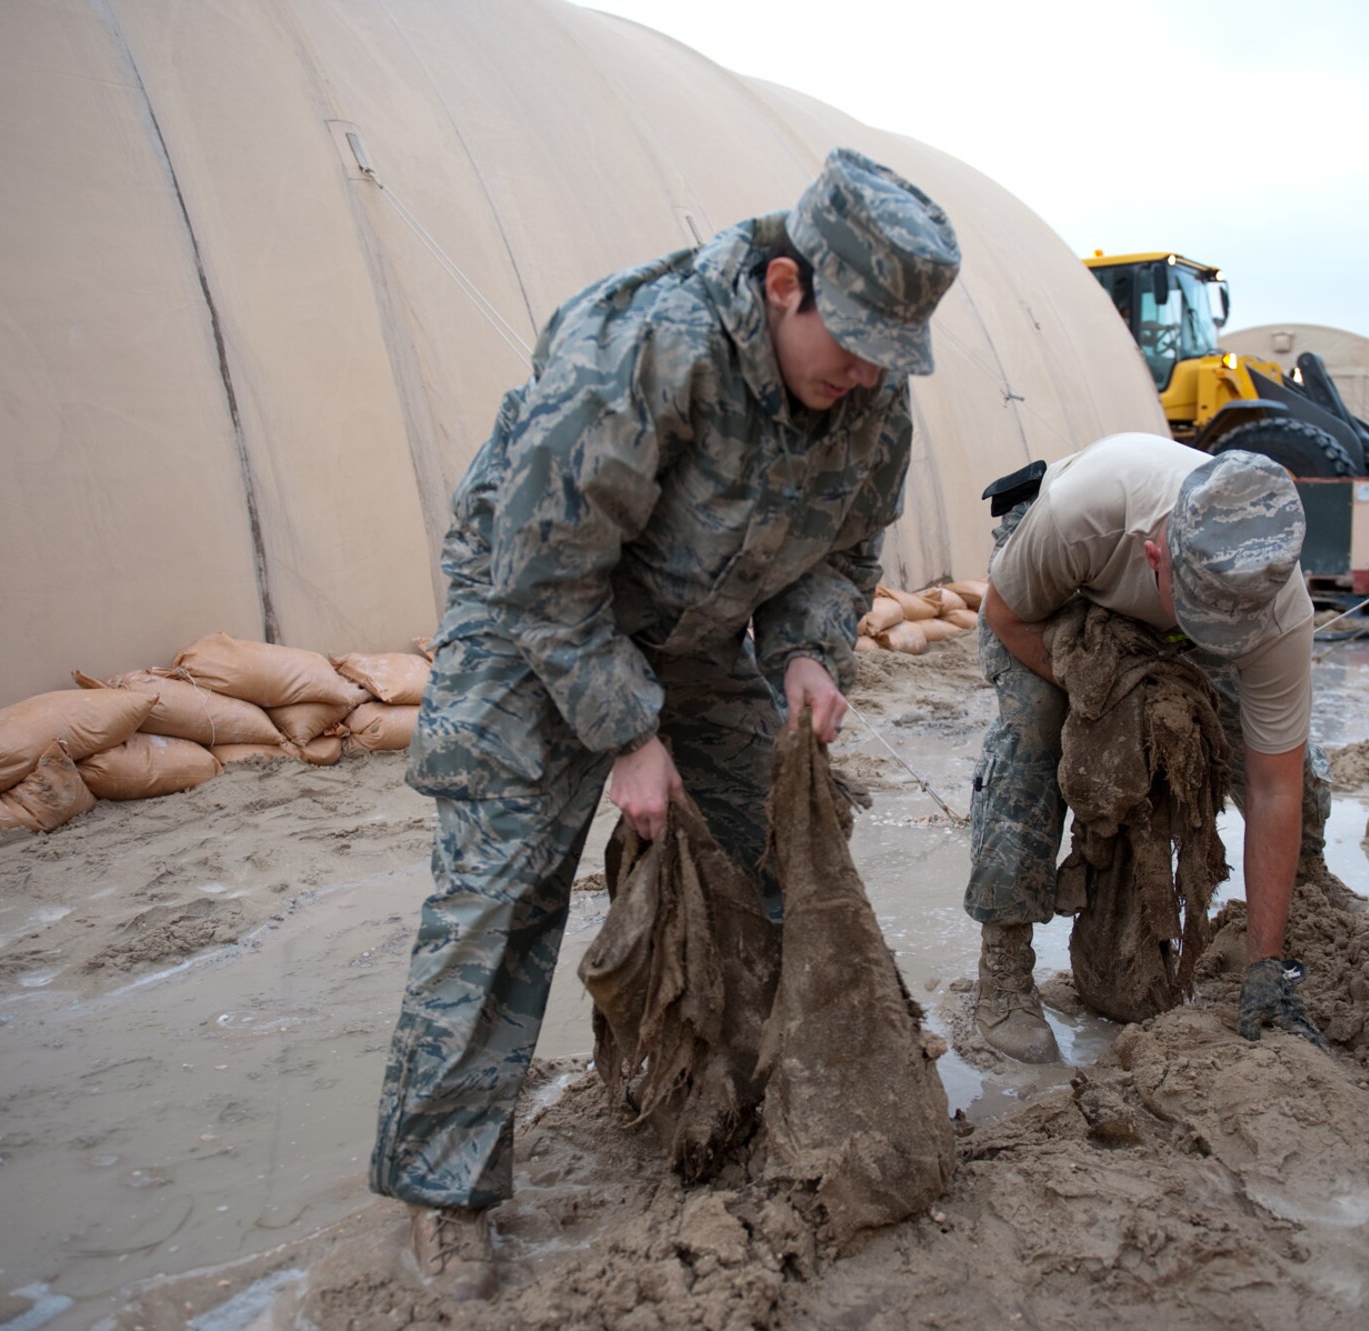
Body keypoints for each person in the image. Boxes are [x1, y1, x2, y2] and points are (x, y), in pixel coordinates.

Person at [371, 148, 960, 1299]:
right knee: (500, 889)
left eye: (890, 357)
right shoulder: (649, 347)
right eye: (850, 344)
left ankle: (777, 1099)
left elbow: (842, 552)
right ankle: (441, 1191)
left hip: (694, 631)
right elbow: (539, 567)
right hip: (535, 613)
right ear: (784, 286)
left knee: (790, 840)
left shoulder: (870, 405)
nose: (865, 374)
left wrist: (803, 649)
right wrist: (627, 734)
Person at [966, 434, 1333, 1064]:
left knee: (1293, 766)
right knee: (1035, 729)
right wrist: (1104, 698)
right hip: (1060, 597)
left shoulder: (1273, 607)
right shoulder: (1086, 513)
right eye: (1195, 612)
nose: (1208, 629)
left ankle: (1310, 888)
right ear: (1155, 554)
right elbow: (1006, 616)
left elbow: (1275, 787)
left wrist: (1264, 968)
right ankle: (1003, 969)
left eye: (1225, 626)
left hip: (1190, 606)